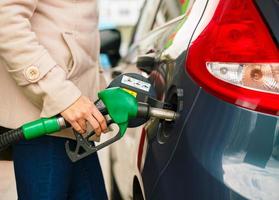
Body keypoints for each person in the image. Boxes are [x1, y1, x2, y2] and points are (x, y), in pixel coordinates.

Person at [0, 0, 108, 199]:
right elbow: (5, 19)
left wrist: (100, 94)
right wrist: (62, 95)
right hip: (45, 117)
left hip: (75, 118)